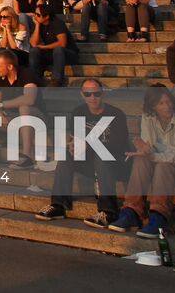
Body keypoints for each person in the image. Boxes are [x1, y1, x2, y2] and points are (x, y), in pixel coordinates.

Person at [36, 80, 131, 226]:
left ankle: (108, 212)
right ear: (82, 95)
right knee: (66, 154)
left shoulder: (116, 114)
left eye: (96, 94)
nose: (92, 97)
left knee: (102, 155)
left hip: (114, 164)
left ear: (102, 94)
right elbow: (77, 139)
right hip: (90, 163)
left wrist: (89, 144)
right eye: (88, 94)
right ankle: (58, 205)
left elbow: (118, 146)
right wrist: (72, 146)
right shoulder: (79, 112)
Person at [109, 85, 175, 238]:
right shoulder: (147, 117)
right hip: (158, 162)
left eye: (168, 102)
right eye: (161, 103)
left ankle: (158, 215)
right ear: (153, 106)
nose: (167, 106)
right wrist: (145, 152)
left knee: (163, 165)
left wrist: (153, 155)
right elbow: (148, 146)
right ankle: (132, 211)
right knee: (141, 160)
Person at [28, 3, 77, 87]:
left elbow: (62, 43)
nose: (35, 16)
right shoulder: (38, 24)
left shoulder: (57, 23)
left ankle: (56, 81)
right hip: (51, 54)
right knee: (34, 51)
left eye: (38, 15)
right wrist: (37, 25)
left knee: (58, 50)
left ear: (47, 17)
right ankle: (34, 80)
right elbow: (33, 44)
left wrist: (44, 47)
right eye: (35, 13)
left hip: (67, 54)